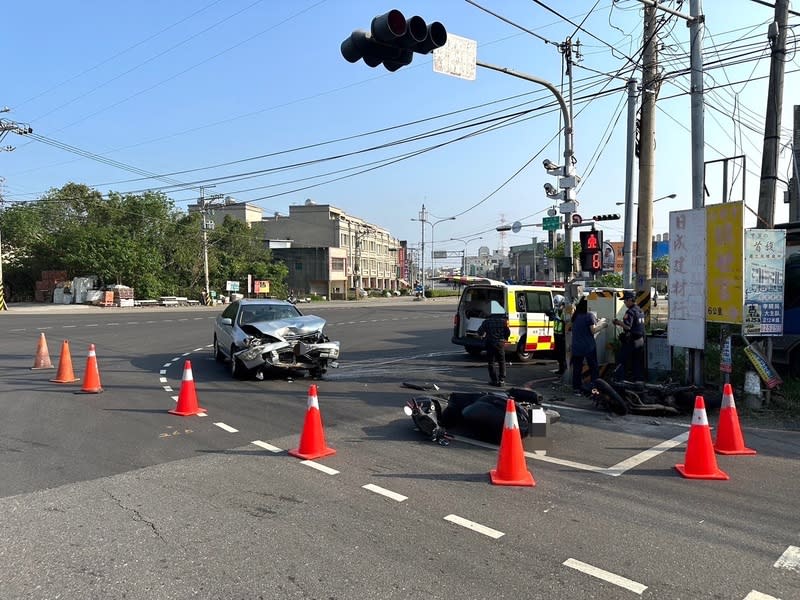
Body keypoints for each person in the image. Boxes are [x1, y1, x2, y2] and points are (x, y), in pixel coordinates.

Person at [570, 297, 606, 395]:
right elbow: (593, 330)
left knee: (577, 369)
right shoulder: (589, 316)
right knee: (594, 367)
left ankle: (576, 389)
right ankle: (595, 388)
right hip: (588, 347)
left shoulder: (575, 316)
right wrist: (602, 325)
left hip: (576, 347)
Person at [613, 290, 646, 381]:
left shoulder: (630, 312)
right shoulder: (640, 310)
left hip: (631, 341)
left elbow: (628, 327)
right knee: (637, 362)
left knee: (620, 360)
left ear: (630, 300)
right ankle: (638, 382)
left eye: (625, 301)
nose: (624, 303)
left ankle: (620, 381)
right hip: (640, 341)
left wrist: (618, 322)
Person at [477, 303, 511, 387]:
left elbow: (480, 332)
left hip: (490, 343)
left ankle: (494, 380)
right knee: (501, 361)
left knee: (491, 362)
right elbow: (508, 332)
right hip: (500, 343)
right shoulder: (503, 322)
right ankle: (501, 380)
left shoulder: (487, 322)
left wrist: (482, 335)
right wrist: (504, 338)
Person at [551, 295, 567, 375]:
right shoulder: (556, 310)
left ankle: (563, 370)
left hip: (562, 336)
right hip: (556, 334)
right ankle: (561, 369)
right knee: (558, 353)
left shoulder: (565, 311)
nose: (558, 306)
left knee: (562, 354)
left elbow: (565, 322)